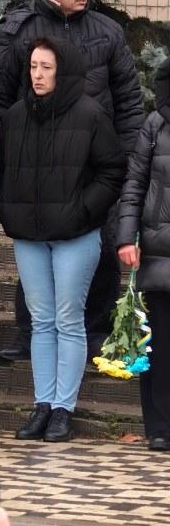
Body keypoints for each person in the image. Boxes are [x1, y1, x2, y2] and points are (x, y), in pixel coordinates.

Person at [0, 0, 144, 362]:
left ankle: (95, 331)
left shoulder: (107, 32)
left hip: (95, 168)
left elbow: (128, 102)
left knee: (102, 248)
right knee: (35, 248)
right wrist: (2, 162)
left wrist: (126, 163)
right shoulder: (19, 32)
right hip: (36, 167)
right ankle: (29, 334)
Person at [0, 37, 124, 442]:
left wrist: (83, 211)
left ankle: (64, 409)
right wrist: (10, 211)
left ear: (63, 70)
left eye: (46, 67)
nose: (37, 74)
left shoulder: (91, 115)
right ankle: (43, 405)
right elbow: (3, 169)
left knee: (69, 320)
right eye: (33, 66)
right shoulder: (16, 116)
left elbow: (112, 171)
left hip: (75, 237)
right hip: (30, 237)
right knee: (41, 320)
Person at [115, 57, 170, 452]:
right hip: (159, 251)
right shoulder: (156, 124)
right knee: (162, 344)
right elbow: (133, 184)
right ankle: (160, 425)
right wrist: (125, 238)